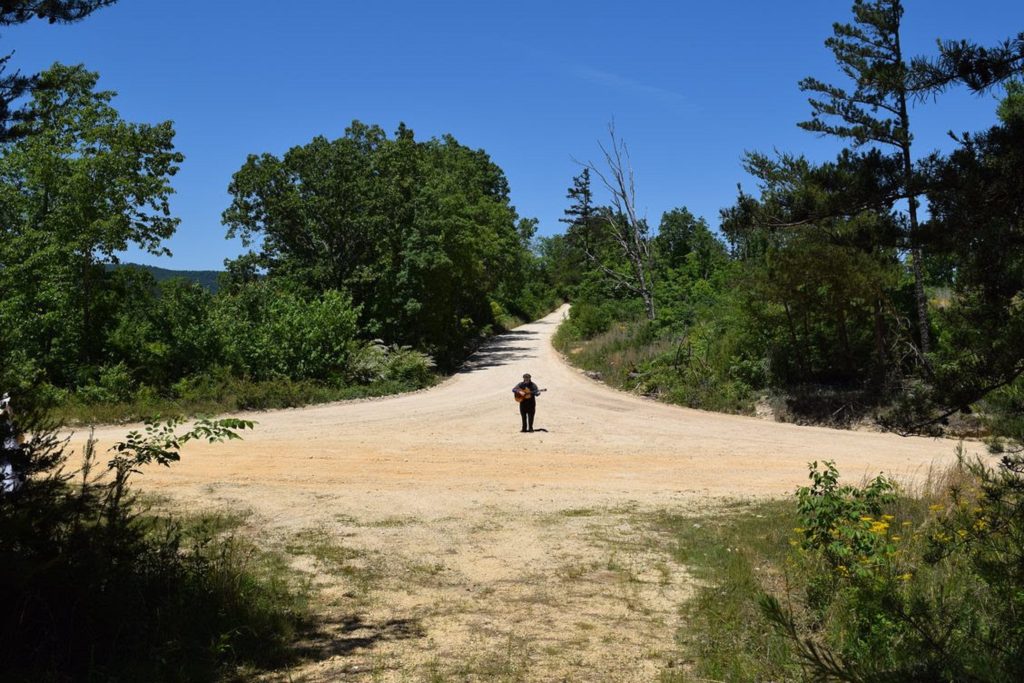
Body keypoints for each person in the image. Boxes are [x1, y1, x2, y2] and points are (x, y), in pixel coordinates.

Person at [0, 392, 24, 493]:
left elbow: (19, 440)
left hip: (12, 456)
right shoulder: (4, 423)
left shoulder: (10, 423)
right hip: (6, 458)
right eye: (8, 405)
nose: (10, 408)